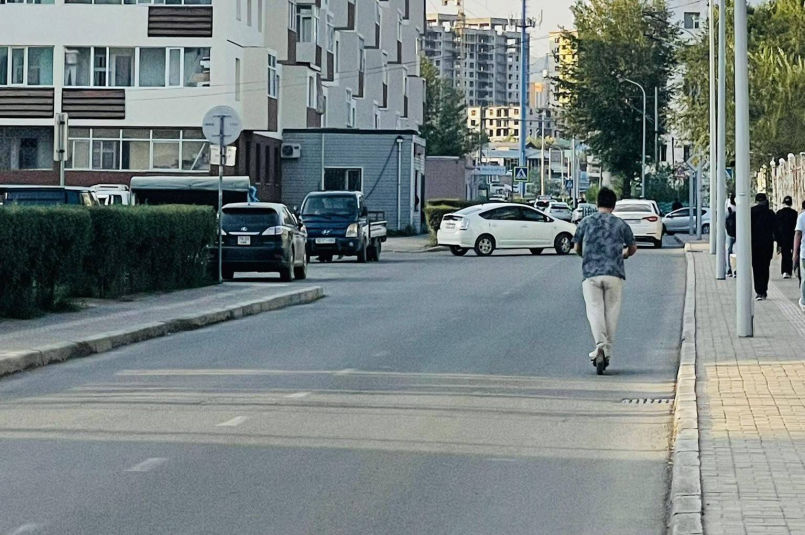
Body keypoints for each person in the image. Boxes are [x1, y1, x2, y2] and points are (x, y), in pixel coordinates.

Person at [573, 187, 637, 375]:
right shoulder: (620, 224)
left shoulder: (585, 222)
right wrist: (624, 254)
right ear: (614, 205)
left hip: (591, 274)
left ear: (597, 203)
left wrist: (585, 255)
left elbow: (576, 247)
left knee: (595, 310)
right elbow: (633, 247)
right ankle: (605, 351)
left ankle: (600, 346)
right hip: (614, 273)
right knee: (611, 312)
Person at [751, 193, 777, 300]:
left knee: (756, 268)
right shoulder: (770, 213)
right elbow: (776, 229)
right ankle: (764, 290)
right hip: (767, 245)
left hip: (754, 245)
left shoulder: (751, 212)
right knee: (765, 267)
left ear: (756, 201)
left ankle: (759, 291)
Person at [776, 196, 798, 279]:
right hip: (792, 237)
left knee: (785, 254)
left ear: (783, 203)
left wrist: (778, 240)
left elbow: (776, 227)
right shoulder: (794, 213)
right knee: (793, 253)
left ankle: (785, 271)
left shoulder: (779, 213)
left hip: (783, 238)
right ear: (791, 203)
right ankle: (793, 270)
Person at [795, 208, 805, 311]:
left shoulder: (802, 217)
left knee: (804, 278)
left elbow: (798, 234)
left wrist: (795, 253)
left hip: (804, 254)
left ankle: (804, 301)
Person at [726, 193, 736, 277]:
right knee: (730, 250)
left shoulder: (739, 204)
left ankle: (733, 269)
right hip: (731, 231)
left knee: (732, 250)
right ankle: (729, 269)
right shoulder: (728, 204)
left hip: (735, 231)